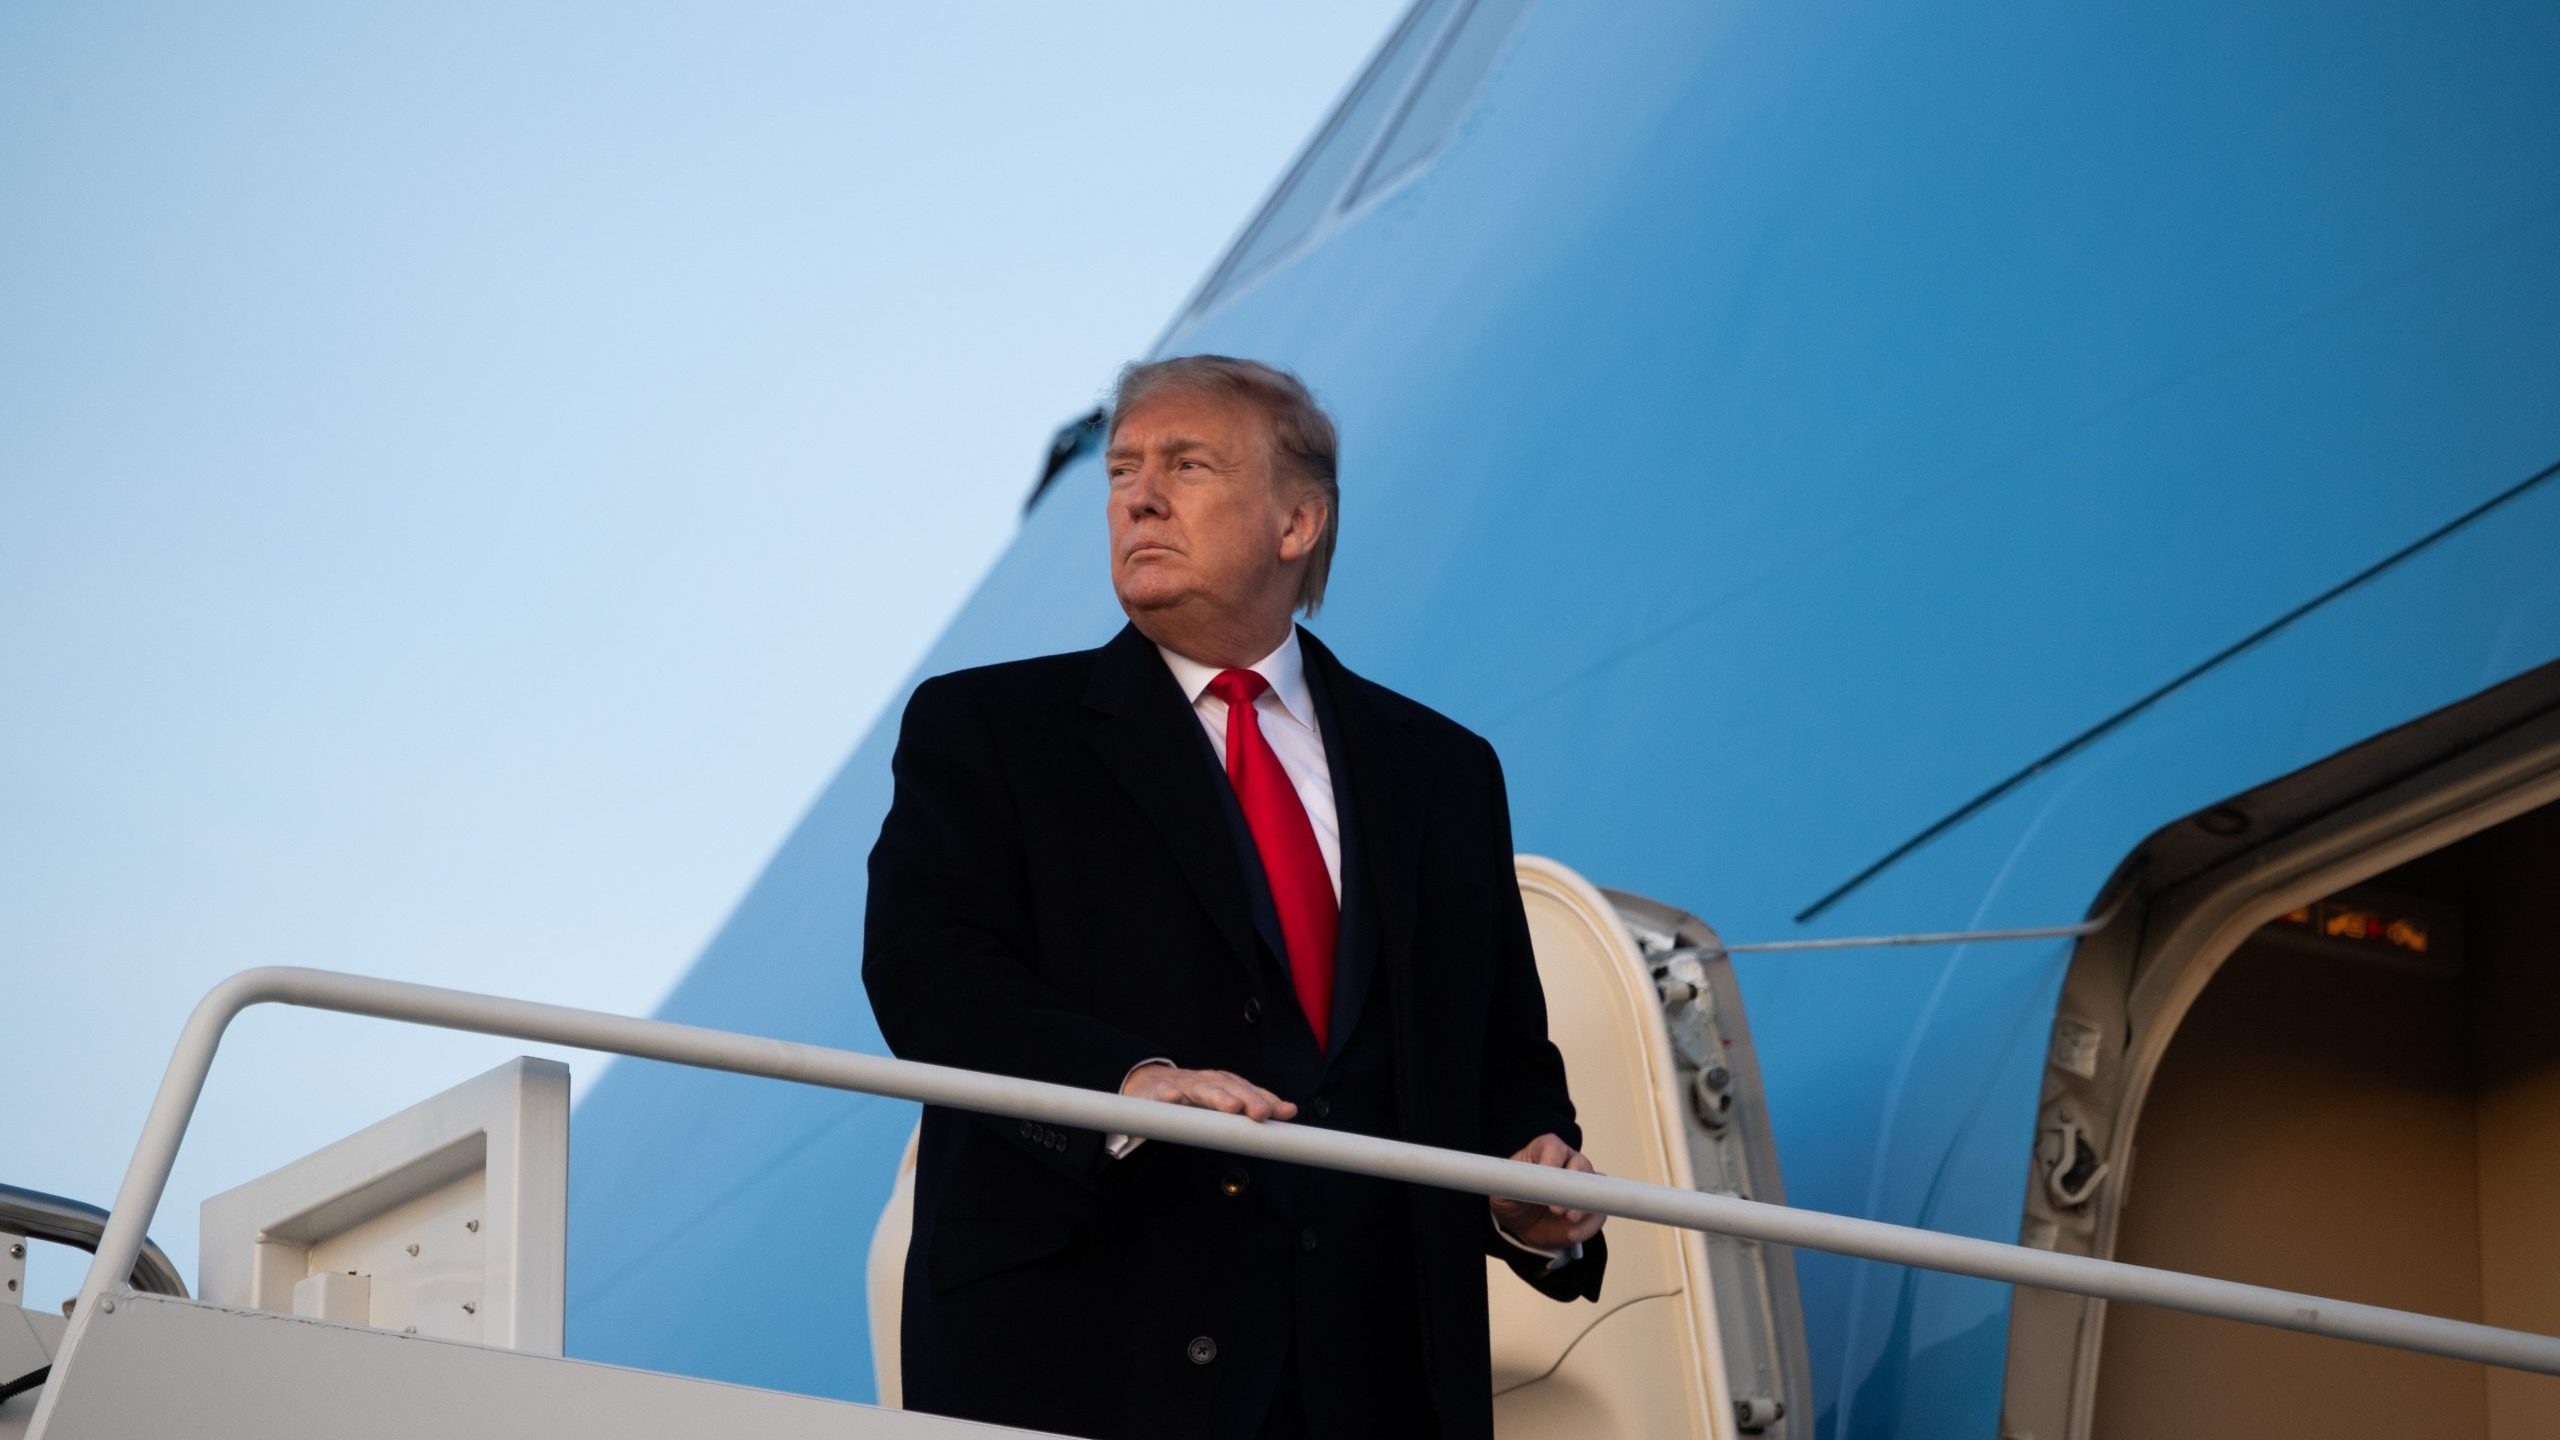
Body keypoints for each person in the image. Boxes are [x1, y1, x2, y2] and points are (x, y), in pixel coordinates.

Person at [863, 355, 1607, 1440]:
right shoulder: (989, 729)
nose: (1137, 496)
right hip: (1090, 1360)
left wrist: (1535, 1193)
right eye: (1122, 470)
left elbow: (1502, 1060)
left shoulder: (1442, 772)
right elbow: (928, 973)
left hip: (1382, 1382)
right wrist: (1124, 1084)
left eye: (1187, 464)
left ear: (1295, 522)